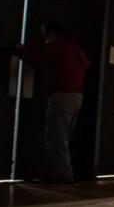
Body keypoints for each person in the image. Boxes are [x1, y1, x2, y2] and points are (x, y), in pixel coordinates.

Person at [14, 22, 90, 184]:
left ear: (52, 33)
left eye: (45, 34)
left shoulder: (57, 46)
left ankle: (63, 175)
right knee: (63, 137)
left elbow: (39, 58)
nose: (45, 38)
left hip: (62, 95)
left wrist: (21, 50)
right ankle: (61, 173)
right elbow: (86, 64)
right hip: (77, 96)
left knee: (56, 137)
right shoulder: (74, 47)